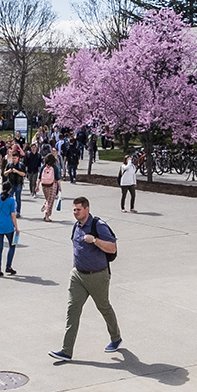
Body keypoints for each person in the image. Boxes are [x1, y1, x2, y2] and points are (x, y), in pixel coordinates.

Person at [49, 197, 120, 362]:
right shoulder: (76, 226)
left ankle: (116, 338)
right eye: (74, 210)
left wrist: (94, 240)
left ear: (87, 209)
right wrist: (75, 266)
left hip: (97, 276)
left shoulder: (98, 226)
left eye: (78, 210)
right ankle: (66, 351)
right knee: (72, 311)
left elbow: (112, 247)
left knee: (104, 307)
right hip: (78, 276)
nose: (75, 213)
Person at [0, 184, 20, 277]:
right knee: (12, 246)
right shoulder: (11, 200)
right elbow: (13, 215)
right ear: (10, 189)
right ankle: (8, 266)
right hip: (8, 226)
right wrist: (16, 227)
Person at [40, 154, 62, 222]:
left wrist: (37, 186)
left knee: (47, 199)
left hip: (44, 185)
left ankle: (45, 207)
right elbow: (57, 178)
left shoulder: (43, 167)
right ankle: (47, 215)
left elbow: (39, 177)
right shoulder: (55, 168)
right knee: (50, 201)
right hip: (52, 185)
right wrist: (60, 187)